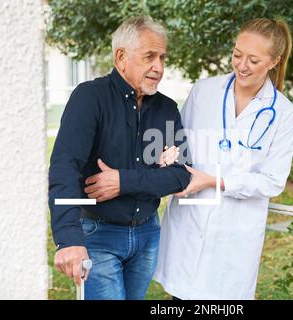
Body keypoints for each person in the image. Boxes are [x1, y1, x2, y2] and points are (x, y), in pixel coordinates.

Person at [153, 18, 293, 300]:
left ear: (274, 61)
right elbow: (180, 147)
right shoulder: (204, 91)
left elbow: (272, 182)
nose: (242, 65)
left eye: (253, 60)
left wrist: (215, 181)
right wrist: (168, 155)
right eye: (237, 55)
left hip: (234, 236)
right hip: (189, 223)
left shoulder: (282, 112)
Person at [48, 16, 191, 300]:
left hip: (148, 234)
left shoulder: (166, 109)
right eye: (150, 56)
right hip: (97, 235)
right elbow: (65, 168)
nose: (159, 67)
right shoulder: (89, 98)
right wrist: (68, 238)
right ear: (121, 56)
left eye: (162, 57)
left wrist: (123, 181)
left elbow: (181, 174)